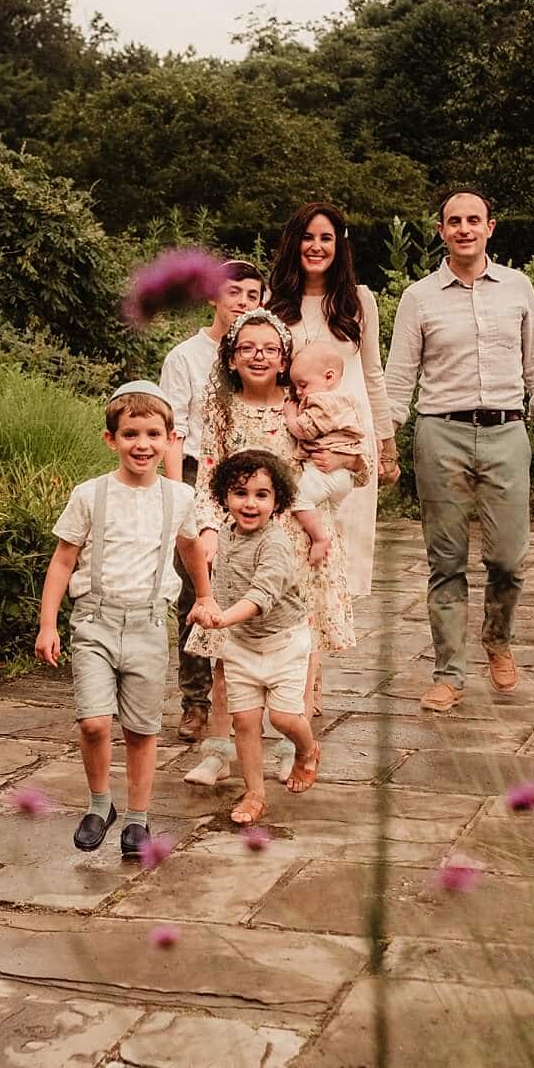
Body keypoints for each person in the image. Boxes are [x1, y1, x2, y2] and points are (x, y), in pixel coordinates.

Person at [382, 186, 534, 713]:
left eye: (474, 219)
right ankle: (449, 673)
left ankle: (498, 638)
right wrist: (382, 446)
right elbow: (398, 382)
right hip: (439, 434)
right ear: (440, 231)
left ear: (491, 227)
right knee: (445, 561)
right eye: (453, 221)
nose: (464, 228)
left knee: (509, 559)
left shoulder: (518, 288)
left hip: (508, 433)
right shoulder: (420, 297)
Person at [182, 309, 357, 786]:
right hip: (238, 538)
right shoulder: (221, 406)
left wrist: (339, 457)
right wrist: (209, 528)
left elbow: (354, 461)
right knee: (226, 647)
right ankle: (219, 749)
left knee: (297, 651)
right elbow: (208, 472)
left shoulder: (306, 403)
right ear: (232, 357)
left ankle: (287, 745)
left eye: (269, 349)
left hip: (299, 542)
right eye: (247, 348)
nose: (258, 356)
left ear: (284, 359)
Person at [36, 382, 209, 858]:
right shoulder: (90, 495)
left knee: (140, 728)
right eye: (131, 433)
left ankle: (137, 819)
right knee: (94, 723)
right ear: (111, 439)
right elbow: (62, 562)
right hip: (94, 621)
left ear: (170, 439)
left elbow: (191, 549)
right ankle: (99, 804)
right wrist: (48, 623)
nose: (142, 444)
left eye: (153, 434)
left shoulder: (179, 498)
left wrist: (206, 597)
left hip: (150, 626)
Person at [265, 202, 396, 601]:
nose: (316, 246)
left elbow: (373, 373)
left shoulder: (359, 301)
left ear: (339, 246)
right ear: (294, 242)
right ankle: (300, 658)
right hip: (292, 434)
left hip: (347, 439)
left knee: (340, 558)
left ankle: (317, 663)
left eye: (326, 238)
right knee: (290, 548)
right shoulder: (273, 302)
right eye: (308, 237)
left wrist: (387, 445)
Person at [185, 448, 323, 825]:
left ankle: (308, 749)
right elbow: (211, 577)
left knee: (282, 718)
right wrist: (205, 603)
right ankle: (254, 793)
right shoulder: (225, 536)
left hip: (284, 642)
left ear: (277, 501)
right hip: (242, 645)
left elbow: (259, 596)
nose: (250, 503)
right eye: (240, 493)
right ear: (224, 498)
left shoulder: (275, 543)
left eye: (262, 495)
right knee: (244, 721)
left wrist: (219, 619)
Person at [160, 259, 265, 741]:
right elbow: (173, 429)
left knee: (249, 582)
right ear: (212, 297)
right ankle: (195, 700)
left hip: (250, 478)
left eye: (252, 295)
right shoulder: (186, 356)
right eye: (234, 293)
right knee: (195, 587)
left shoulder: (262, 349)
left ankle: (245, 694)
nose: (243, 302)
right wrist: (176, 494)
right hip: (195, 473)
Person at [284, 340, 369, 566]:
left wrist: (291, 416)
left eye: (303, 385)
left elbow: (305, 430)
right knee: (329, 514)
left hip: (326, 472)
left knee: (297, 498)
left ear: (328, 377)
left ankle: (320, 539)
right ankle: (328, 538)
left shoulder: (323, 402)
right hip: (342, 478)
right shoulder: (345, 401)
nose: (299, 392)